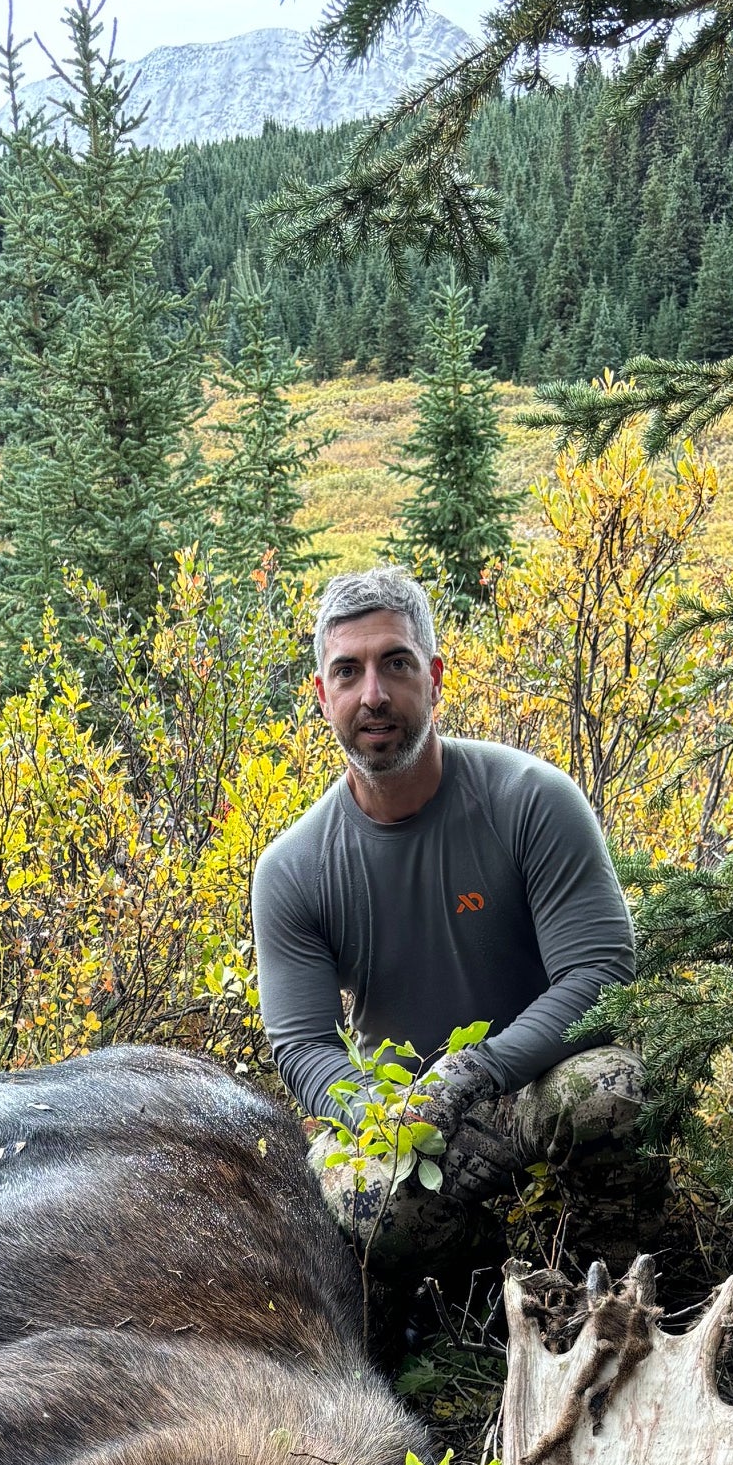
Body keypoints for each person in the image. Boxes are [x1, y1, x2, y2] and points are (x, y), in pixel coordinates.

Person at [251, 565, 645, 1324]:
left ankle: (623, 1284)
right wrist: (384, 1112)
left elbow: (601, 973)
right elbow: (302, 1046)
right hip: (409, 1124)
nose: (374, 694)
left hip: (534, 1088)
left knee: (612, 1090)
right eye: (348, 671)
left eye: (395, 664)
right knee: (357, 1196)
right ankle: (464, 1296)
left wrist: (478, 1071)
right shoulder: (294, 868)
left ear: (433, 676)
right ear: (321, 694)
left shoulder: (531, 800)